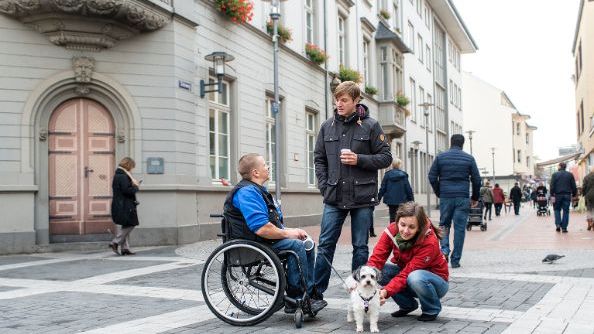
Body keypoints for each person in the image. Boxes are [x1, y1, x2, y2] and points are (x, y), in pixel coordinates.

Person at [313, 81, 392, 301]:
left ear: (356, 101)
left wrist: (360, 159)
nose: (339, 103)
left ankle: (360, 295)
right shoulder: (327, 126)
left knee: (360, 247)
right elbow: (319, 159)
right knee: (325, 245)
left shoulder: (371, 126)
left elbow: (386, 157)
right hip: (334, 196)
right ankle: (315, 293)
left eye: (344, 100)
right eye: (337, 99)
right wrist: (323, 184)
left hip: (362, 197)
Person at [223, 153, 327, 313]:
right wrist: (288, 234)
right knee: (296, 246)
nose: (268, 167)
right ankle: (296, 298)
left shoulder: (257, 191)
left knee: (307, 243)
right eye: (264, 165)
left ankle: (309, 294)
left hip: (262, 240)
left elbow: (272, 224)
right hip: (254, 244)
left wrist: (293, 231)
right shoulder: (247, 193)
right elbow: (262, 228)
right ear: (255, 173)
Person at [367, 202, 448, 322]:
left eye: (411, 227)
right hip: (409, 276)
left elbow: (407, 273)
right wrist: (364, 283)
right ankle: (408, 305)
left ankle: (431, 309)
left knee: (415, 277)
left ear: (419, 227)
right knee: (378, 271)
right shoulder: (391, 231)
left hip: (436, 283)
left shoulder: (429, 242)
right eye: (403, 224)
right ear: (397, 221)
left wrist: (385, 292)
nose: (405, 230)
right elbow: (376, 258)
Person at [428, 134, 481, 269]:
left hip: (446, 196)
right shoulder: (469, 159)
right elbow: (477, 180)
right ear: (463, 144)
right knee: (459, 229)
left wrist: (439, 192)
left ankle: (444, 250)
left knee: (444, 224)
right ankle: (456, 260)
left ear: (451, 142)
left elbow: (432, 176)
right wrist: (475, 197)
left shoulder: (441, 157)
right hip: (462, 197)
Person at [110, 157, 141, 256]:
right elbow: (126, 191)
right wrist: (135, 186)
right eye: (132, 166)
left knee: (126, 225)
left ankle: (125, 248)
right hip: (125, 205)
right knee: (131, 224)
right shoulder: (123, 176)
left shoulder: (119, 175)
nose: (132, 169)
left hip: (121, 204)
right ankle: (115, 242)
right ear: (128, 165)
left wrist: (132, 184)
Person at [378, 158, 414, 223]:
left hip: (391, 201)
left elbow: (383, 188)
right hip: (402, 201)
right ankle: (399, 231)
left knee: (392, 217)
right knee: (401, 217)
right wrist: (412, 200)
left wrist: (378, 198)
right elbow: (408, 189)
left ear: (392, 165)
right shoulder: (403, 176)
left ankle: (392, 232)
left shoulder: (387, 175)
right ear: (399, 165)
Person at [550, 162, 577, 233]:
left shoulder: (555, 175)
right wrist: (574, 194)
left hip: (557, 195)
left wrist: (552, 194)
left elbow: (552, 186)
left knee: (557, 210)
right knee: (566, 211)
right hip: (567, 195)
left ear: (559, 167)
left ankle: (558, 225)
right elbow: (574, 186)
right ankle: (564, 227)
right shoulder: (570, 175)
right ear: (565, 167)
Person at [581, 166, 594, 231]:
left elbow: (584, 187)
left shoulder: (586, 177)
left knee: (589, 210)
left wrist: (583, 194)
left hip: (589, 196)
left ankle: (589, 224)